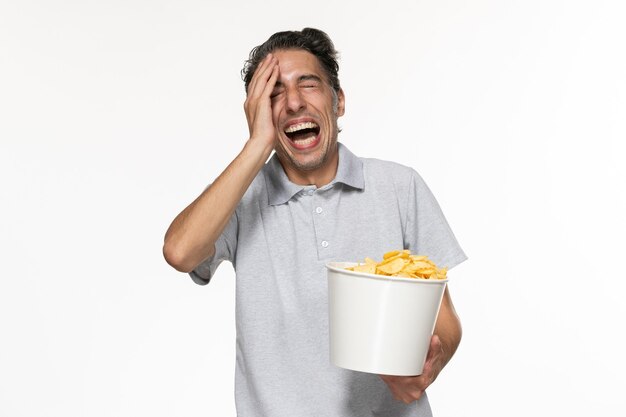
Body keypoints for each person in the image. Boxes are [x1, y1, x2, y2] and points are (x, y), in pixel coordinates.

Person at [163, 28, 466, 417]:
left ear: (338, 101)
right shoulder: (239, 198)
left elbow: (446, 323)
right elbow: (179, 251)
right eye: (273, 93)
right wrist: (257, 145)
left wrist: (425, 369)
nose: (292, 103)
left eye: (308, 85)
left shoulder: (398, 186)